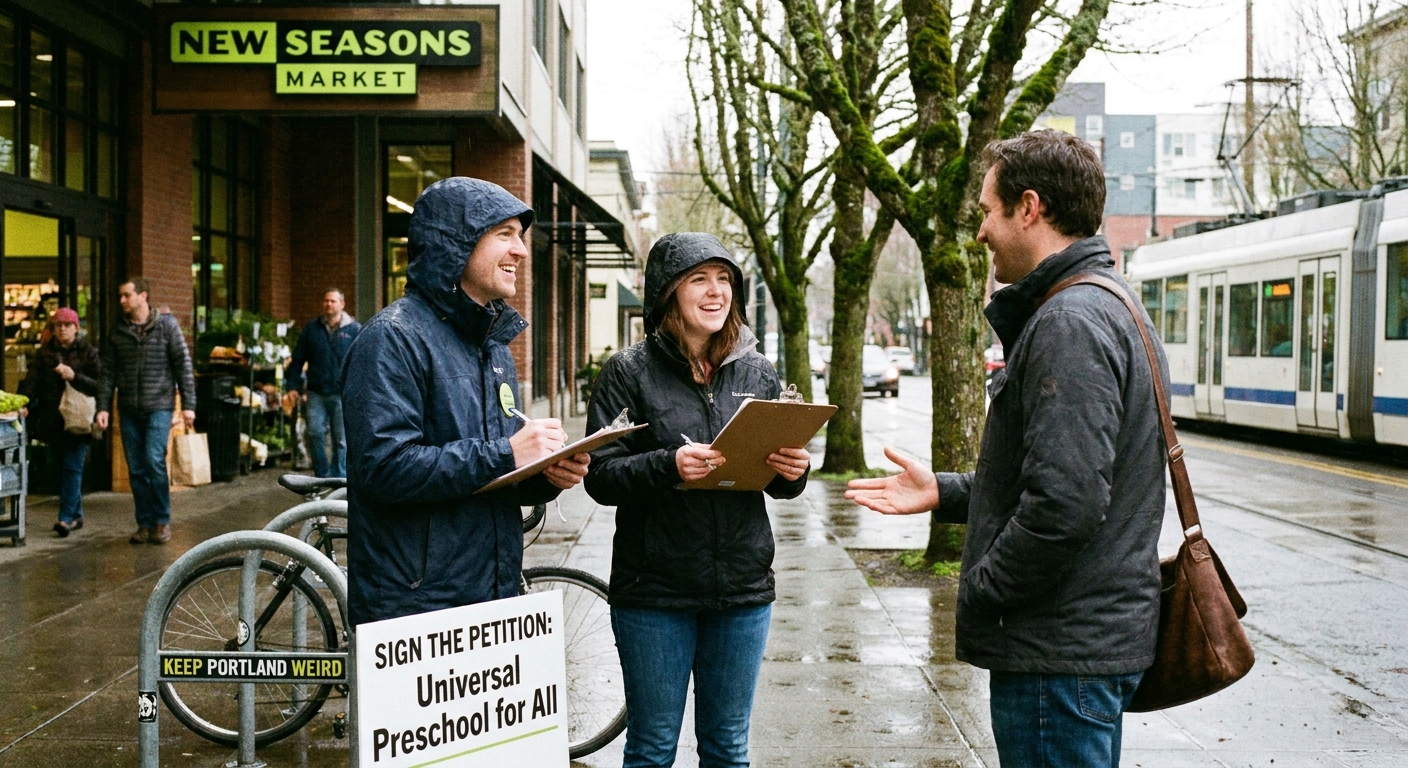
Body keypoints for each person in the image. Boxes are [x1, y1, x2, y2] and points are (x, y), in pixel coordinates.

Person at [846, 130, 1168, 768]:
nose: (981, 233)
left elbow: (1066, 504)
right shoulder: (1107, 302)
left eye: (988, 213)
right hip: (1081, 645)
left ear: (1030, 207)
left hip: (1057, 652)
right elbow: (1062, 476)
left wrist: (986, 586)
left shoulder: (1070, 322)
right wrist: (948, 491)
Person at [583, 232, 812, 768]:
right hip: (654, 592)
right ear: (668, 293)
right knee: (653, 747)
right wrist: (668, 465)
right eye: (699, 280)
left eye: (725, 279)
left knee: (729, 748)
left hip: (742, 589)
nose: (716, 293)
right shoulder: (628, 372)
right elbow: (600, 475)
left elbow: (774, 477)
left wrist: (794, 472)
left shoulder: (756, 370)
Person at [342, 177, 590, 627]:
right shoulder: (391, 338)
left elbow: (494, 474)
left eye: (521, 236)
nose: (521, 251)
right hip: (416, 611)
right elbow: (383, 467)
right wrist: (509, 452)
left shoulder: (492, 346)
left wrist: (546, 475)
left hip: (487, 597)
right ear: (456, 243)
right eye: (504, 234)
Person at [96, 277, 197, 545]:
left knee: (154, 460)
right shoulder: (118, 332)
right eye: (121, 295)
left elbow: (183, 366)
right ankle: (144, 522)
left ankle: (162, 520)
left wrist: (189, 405)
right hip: (128, 408)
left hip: (159, 406)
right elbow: (108, 373)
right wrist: (102, 407)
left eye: (126, 295)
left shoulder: (167, 327)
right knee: (137, 469)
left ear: (143, 296)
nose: (122, 301)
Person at [18, 308, 101, 537]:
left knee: (72, 469)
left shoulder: (87, 352)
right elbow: (32, 381)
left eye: (67, 325)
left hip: (78, 421)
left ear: (76, 328)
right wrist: (24, 403)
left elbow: (99, 384)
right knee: (62, 469)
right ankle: (76, 515)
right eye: (58, 325)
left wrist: (74, 376)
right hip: (53, 421)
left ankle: (65, 518)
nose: (62, 329)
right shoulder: (45, 354)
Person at [285, 287, 361, 478]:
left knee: (341, 439)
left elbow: (362, 361)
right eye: (326, 300)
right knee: (315, 433)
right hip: (316, 392)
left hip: (342, 393)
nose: (328, 304)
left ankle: (340, 477)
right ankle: (322, 474)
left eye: (333, 301)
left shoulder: (354, 330)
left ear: (342, 304)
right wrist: (292, 386)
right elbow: (298, 359)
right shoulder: (312, 329)